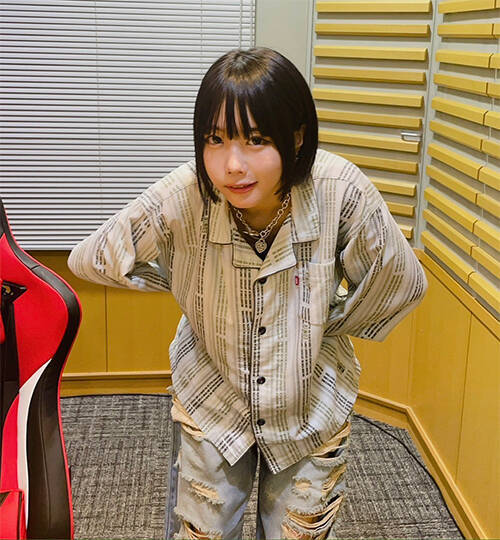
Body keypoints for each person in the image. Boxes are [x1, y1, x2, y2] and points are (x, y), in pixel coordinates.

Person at [68, 47, 427, 540]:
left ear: (296, 137)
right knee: (203, 532)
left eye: (256, 140)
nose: (232, 165)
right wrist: (181, 282)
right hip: (212, 396)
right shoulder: (187, 192)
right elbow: (94, 256)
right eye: (215, 139)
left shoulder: (339, 189)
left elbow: (401, 279)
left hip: (311, 403)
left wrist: (327, 323)